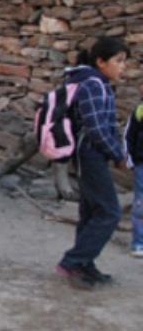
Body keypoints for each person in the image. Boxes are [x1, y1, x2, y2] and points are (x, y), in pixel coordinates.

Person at [56, 36, 128, 289]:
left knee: (91, 212)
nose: (123, 67)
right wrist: (117, 155)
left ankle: (85, 264)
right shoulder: (93, 85)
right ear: (101, 61)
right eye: (118, 61)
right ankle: (73, 261)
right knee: (109, 212)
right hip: (90, 155)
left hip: (91, 154)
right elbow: (97, 128)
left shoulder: (98, 84)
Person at [124, 96, 143, 258]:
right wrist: (130, 160)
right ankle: (139, 243)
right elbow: (129, 135)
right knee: (141, 204)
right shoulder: (140, 110)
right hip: (142, 164)